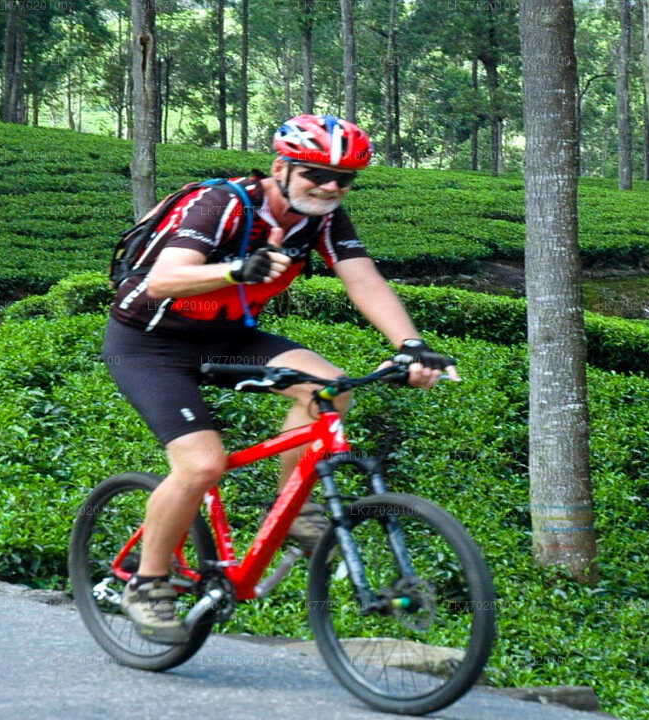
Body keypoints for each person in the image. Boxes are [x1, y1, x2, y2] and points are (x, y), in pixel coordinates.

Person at [101, 114, 459, 645]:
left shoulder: (324, 218)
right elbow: (163, 279)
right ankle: (147, 584)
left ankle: (292, 508)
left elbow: (363, 280)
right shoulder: (221, 205)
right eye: (317, 173)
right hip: (150, 344)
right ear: (280, 168)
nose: (331, 187)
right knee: (202, 465)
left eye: (344, 178)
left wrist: (410, 346)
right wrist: (234, 270)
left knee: (330, 387)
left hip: (227, 336)